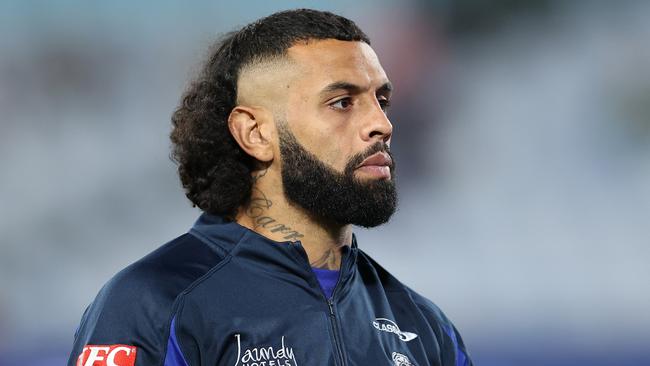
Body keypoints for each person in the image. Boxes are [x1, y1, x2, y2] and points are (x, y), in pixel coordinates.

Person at [68, 9, 472, 366]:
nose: (382, 124)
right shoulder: (156, 302)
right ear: (255, 133)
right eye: (342, 102)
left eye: (381, 99)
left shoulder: (424, 325)